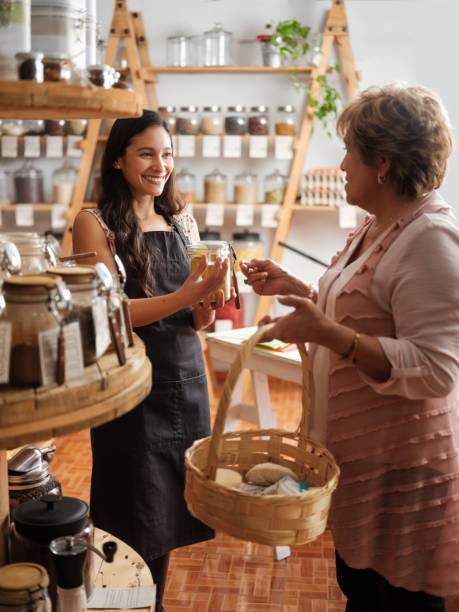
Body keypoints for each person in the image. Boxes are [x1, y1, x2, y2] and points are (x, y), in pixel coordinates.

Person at [241, 83, 459, 611]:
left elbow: (437, 370)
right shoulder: (377, 226)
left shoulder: (430, 237)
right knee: (363, 590)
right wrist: (297, 289)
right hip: (366, 464)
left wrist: (327, 334)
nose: (340, 165)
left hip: (406, 475)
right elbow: (362, 310)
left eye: (348, 152)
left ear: (382, 161)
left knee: (398, 598)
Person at [72, 110, 229, 612]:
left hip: (186, 382)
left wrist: (205, 303)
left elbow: (196, 322)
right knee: (129, 516)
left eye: (167, 153)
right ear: (117, 159)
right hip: (131, 391)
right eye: (146, 153)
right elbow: (109, 313)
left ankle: (150, 605)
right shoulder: (93, 223)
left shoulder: (181, 220)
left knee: (166, 518)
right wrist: (187, 294)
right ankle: (123, 606)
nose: (160, 165)